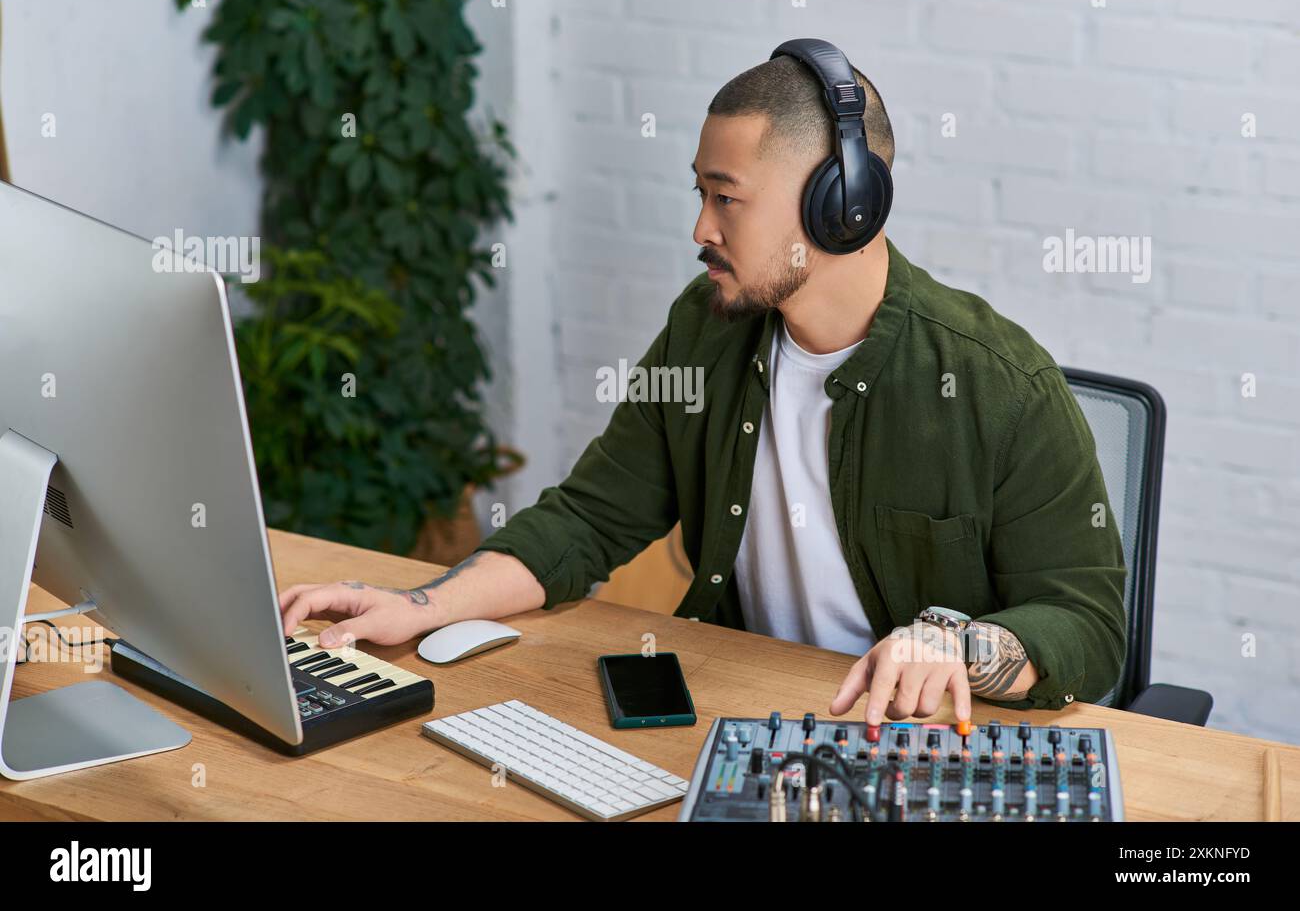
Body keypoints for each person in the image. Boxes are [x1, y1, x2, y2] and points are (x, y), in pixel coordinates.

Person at [280, 43, 1127, 727]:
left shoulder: (1000, 386)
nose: (700, 227)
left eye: (727, 198)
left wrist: (954, 646)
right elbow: (588, 518)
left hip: (911, 742)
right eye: (701, 192)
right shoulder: (708, 326)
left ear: (844, 206)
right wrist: (419, 604)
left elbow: (1088, 626)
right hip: (736, 717)